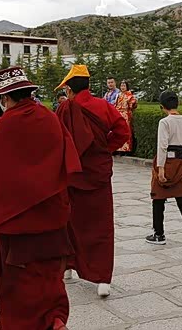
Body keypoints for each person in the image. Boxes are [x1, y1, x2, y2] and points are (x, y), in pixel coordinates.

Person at [0, 66, 80, 330]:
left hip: (17, 222)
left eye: (3, 100)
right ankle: (54, 320)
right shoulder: (49, 117)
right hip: (52, 217)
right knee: (49, 278)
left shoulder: (8, 123)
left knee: (17, 286)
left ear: (6, 98)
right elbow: (67, 161)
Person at [55, 65, 129, 298]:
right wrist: (104, 148)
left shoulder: (64, 109)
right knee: (101, 224)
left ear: (69, 89)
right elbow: (123, 131)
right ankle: (102, 278)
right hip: (98, 173)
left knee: (70, 221)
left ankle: (67, 266)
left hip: (72, 174)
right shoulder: (103, 105)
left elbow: (55, 139)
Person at [146, 90, 182, 253]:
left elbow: (162, 146)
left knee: (158, 199)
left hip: (167, 162)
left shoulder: (164, 122)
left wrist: (161, 168)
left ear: (162, 106)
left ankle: (159, 234)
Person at [114, 80, 137, 154]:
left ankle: (126, 149)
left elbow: (132, 105)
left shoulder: (130, 96)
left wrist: (132, 103)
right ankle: (118, 148)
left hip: (126, 114)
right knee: (118, 131)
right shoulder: (118, 95)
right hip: (118, 114)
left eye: (124, 86)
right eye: (121, 86)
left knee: (126, 131)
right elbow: (115, 104)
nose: (122, 87)